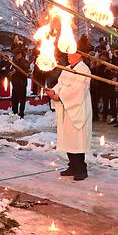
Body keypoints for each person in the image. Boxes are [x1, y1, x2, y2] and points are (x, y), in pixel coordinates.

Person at [46, 47, 92, 181]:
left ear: (79, 55)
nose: (68, 56)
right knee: (68, 138)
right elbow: (60, 84)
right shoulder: (67, 68)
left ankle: (81, 169)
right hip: (66, 108)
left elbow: (77, 90)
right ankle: (72, 165)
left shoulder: (84, 70)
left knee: (77, 140)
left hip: (77, 108)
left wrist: (60, 97)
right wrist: (53, 92)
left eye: (72, 54)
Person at [9, 48, 30, 118]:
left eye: (18, 54)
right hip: (15, 83)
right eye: (15, 54)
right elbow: (11, 69)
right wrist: (11, 72)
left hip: (22, 83)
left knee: (22, 99)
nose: (17, 56)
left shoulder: (25, 62)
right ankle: (14, 112)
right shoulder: (14, 61)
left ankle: (21, 113)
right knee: (14, 99)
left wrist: (16, 71)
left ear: (21, 54)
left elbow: (26, 72)